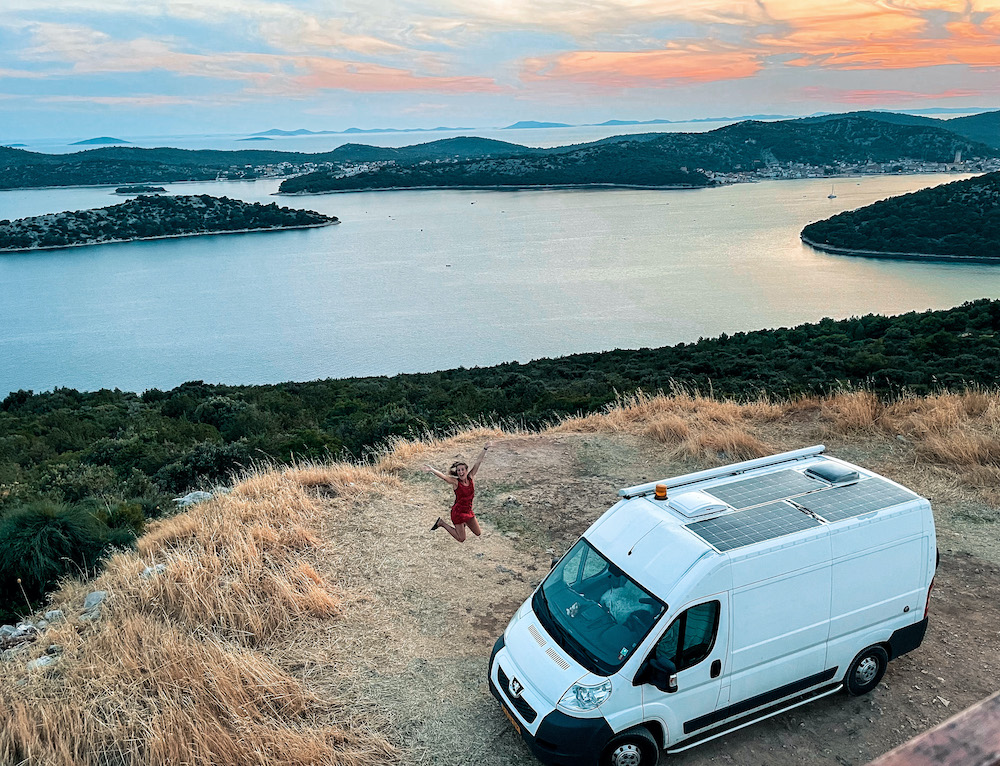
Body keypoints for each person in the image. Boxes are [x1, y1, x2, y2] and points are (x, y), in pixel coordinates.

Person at [425, 442, 493, 542]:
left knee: (478, 533)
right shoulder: (456, 482)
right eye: (458, 471)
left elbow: (478, 462)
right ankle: (441, 523)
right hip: (458, 513)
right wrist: (432, 470)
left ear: (466, 470)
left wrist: (485, 449)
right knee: (461, 538)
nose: (460, 472)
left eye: (462, 470)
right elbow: (444, 477)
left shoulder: (471, 477)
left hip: (468, 511)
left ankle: (464, 523)